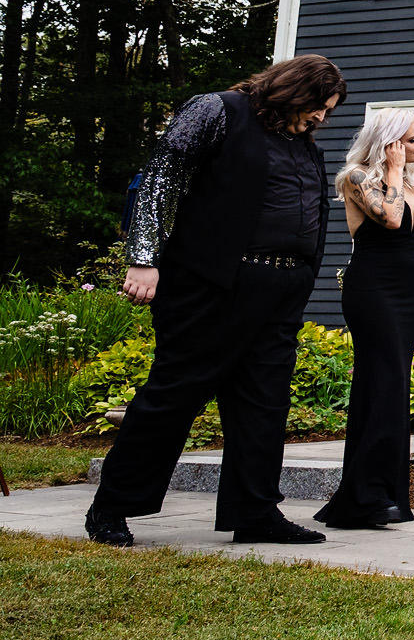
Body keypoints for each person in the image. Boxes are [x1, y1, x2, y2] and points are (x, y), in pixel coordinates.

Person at [85, 55, 349, 548]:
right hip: (211, 285)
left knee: (263, 404)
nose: (321, 118)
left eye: (327, 111)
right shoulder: (217, 110)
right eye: (317, 106)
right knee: (173, 397)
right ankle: (112, 507)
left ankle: (255, 513)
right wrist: (144, 257)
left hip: (282, 290)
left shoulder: (301, 141)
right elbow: (158, 180)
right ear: (292, 90)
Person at [315, 109, 414, 529]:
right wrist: (394, 172)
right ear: (390, 143)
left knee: (394, 387)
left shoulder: (409, 181)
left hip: (404, 290)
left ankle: (378, 495)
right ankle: (366, 497)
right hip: (372, 290)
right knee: (381, 385)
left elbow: (408, 236)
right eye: (413, 139)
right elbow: (390, 218)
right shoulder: (358, 178)